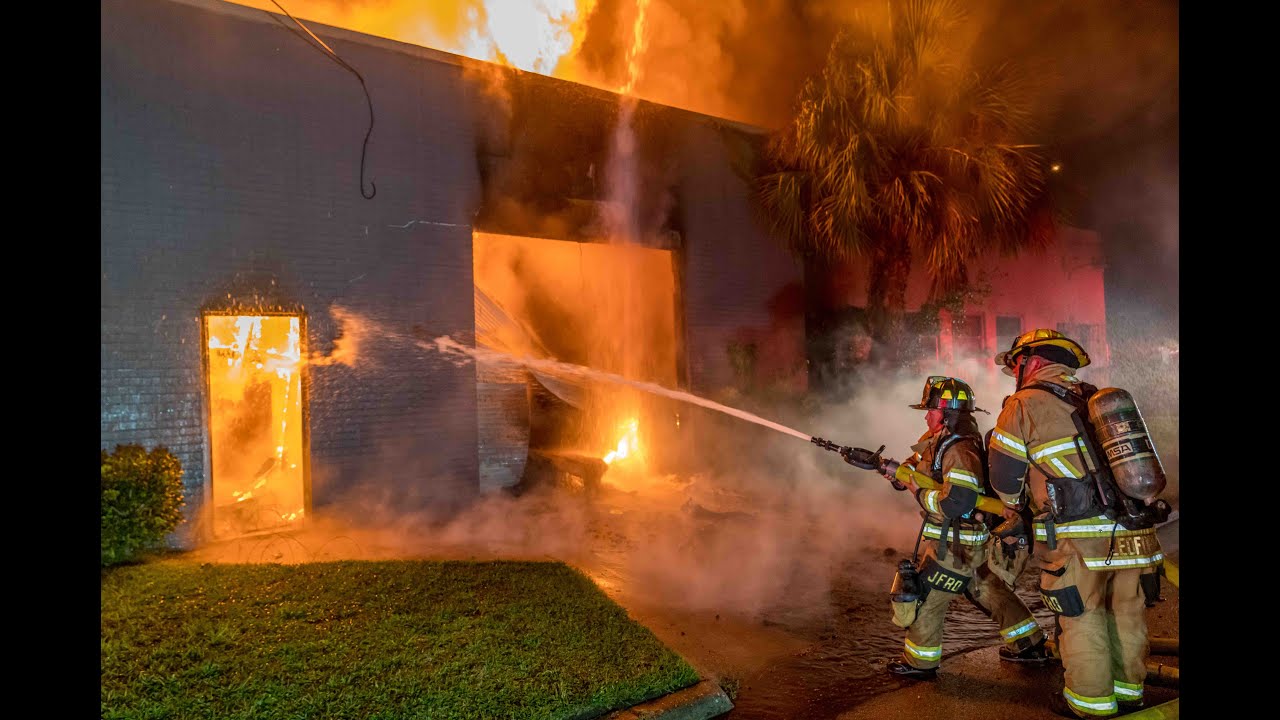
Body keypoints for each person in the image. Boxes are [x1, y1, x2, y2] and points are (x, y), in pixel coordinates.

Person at [986, 329, 1163, 718]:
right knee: (1127, 614)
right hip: (1134, 532)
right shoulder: (1098, 400)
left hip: (1078, 538)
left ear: (1030, 362)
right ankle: (1129, 695)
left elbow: (1003, 474)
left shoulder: (1023, 403)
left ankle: (1093, 706)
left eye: (1016, 364)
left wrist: (1015, 508)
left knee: (1083, 618)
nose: (1015, 372)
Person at [883, 375, 1050, 680]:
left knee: (925, 599)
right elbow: (918, 468)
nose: (926, 415)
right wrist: (894, 472)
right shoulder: (942, 440)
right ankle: (1030, 645)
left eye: (931, 410)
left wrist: (917, 493)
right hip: (969, 541)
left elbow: (956, 502)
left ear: (948, 414)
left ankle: (920, 663)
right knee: (988, 589)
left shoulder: (960, 450)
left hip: (955, 544)